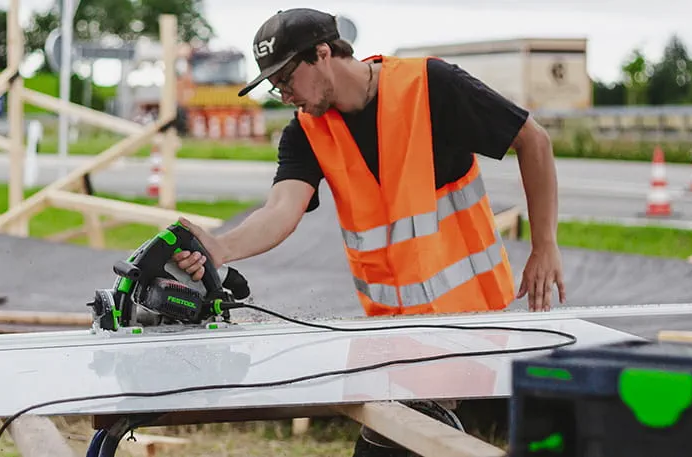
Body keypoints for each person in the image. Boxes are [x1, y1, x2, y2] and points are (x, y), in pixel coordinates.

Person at [170, 7, 565, 454]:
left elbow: (533, 139)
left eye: (284, 80)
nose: (282, 94)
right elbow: (281, 209)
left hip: (467, 319)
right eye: (273, 85)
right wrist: (221, 247)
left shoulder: (431, 86)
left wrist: (544, 245)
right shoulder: (307, 132)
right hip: (391, 334)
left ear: (322, 54)